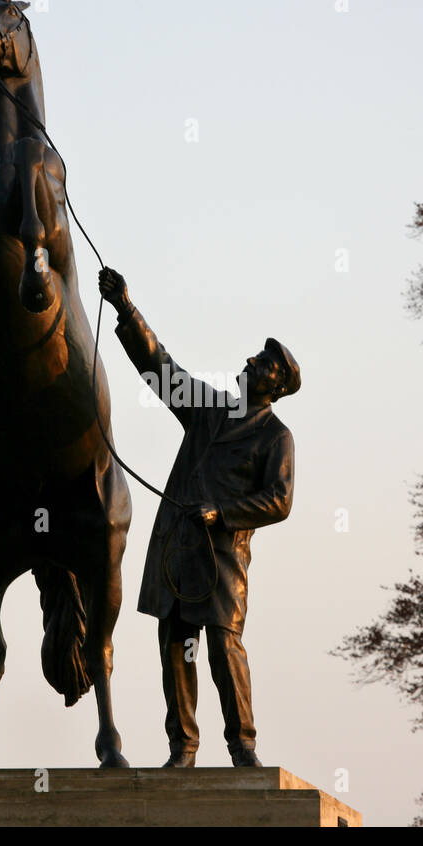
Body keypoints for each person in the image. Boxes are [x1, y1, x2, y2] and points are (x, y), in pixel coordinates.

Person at [98, 266, 300, 767]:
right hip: (177, 549)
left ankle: (243, 747)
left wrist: (224, 513)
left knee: (224, 651)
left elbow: (279, 500)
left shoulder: (276, 438)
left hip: (225, 558)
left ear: (276, 384)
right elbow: (162, 371)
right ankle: (183, 748)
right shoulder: (208, 409)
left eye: (264, 362)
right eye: (257, 355)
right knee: (174, 646)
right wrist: (127, 308)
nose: (252, 360)